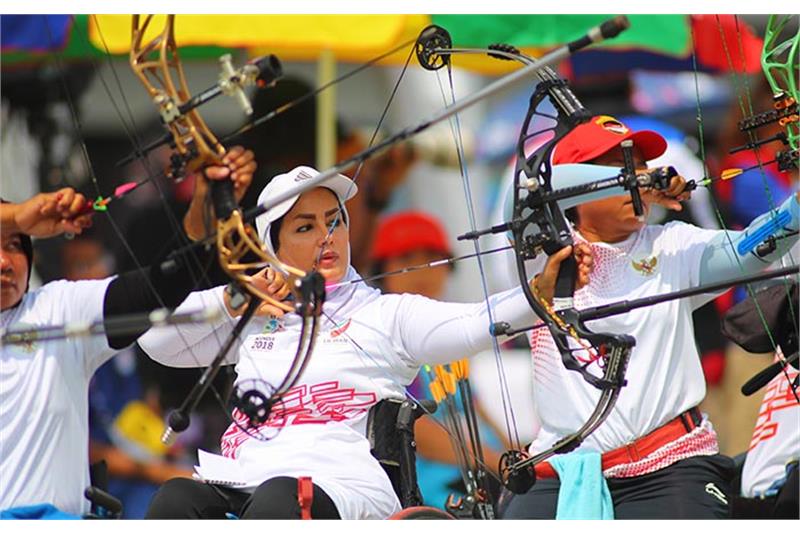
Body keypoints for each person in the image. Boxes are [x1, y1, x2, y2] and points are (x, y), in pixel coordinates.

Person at [138, 165, 593, 520]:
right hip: (245, 478)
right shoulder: (254, 318)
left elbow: (479, 322)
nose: (326, 237)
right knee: (177, 499)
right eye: (304, 228)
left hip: (342, 486)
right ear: (271, 248)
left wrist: (541, 291)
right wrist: (234, 298)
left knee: (281, 498)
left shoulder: (385, 314)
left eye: (333, 222)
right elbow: (153, 340)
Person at [500, 115, 799, 519]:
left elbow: (751, 247)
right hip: (562, 470)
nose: (638, 177)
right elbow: (519, 200)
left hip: (669, 464)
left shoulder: (674, 246)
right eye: (618, 167)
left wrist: (796, 211)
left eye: (640, 166)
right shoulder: (543, 256)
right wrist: (622, 183)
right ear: (572, 186)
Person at [0, 147, 256, 517]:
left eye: (14, 245)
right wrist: (20, 216)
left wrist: (204, 203)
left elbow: (158, 289)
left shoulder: (56, 308)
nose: (6, 263)